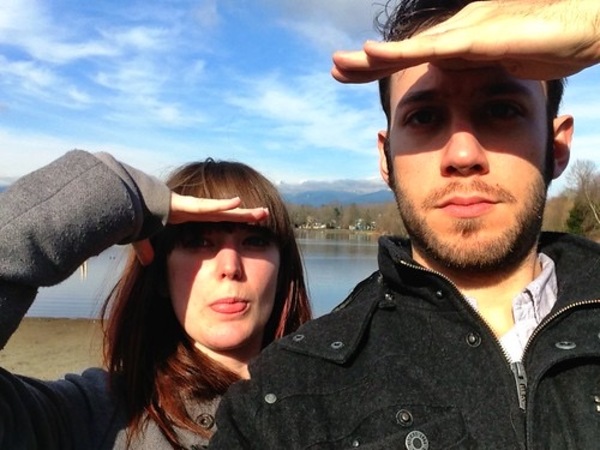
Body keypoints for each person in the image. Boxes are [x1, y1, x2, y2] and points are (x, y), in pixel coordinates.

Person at [209, 1, 600, 448]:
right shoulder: (285, 398)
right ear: (385, 156)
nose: (463, 155)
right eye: (425, 117)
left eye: (501, 111)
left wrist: (592, 22)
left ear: (558, 144)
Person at [0, 149, 312, 449]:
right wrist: (116, 193)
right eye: (199, 242)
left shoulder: (337, 399)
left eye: (254, 241)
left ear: (282, 269)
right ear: (161, 274)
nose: (230, 267)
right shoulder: (92, 415)